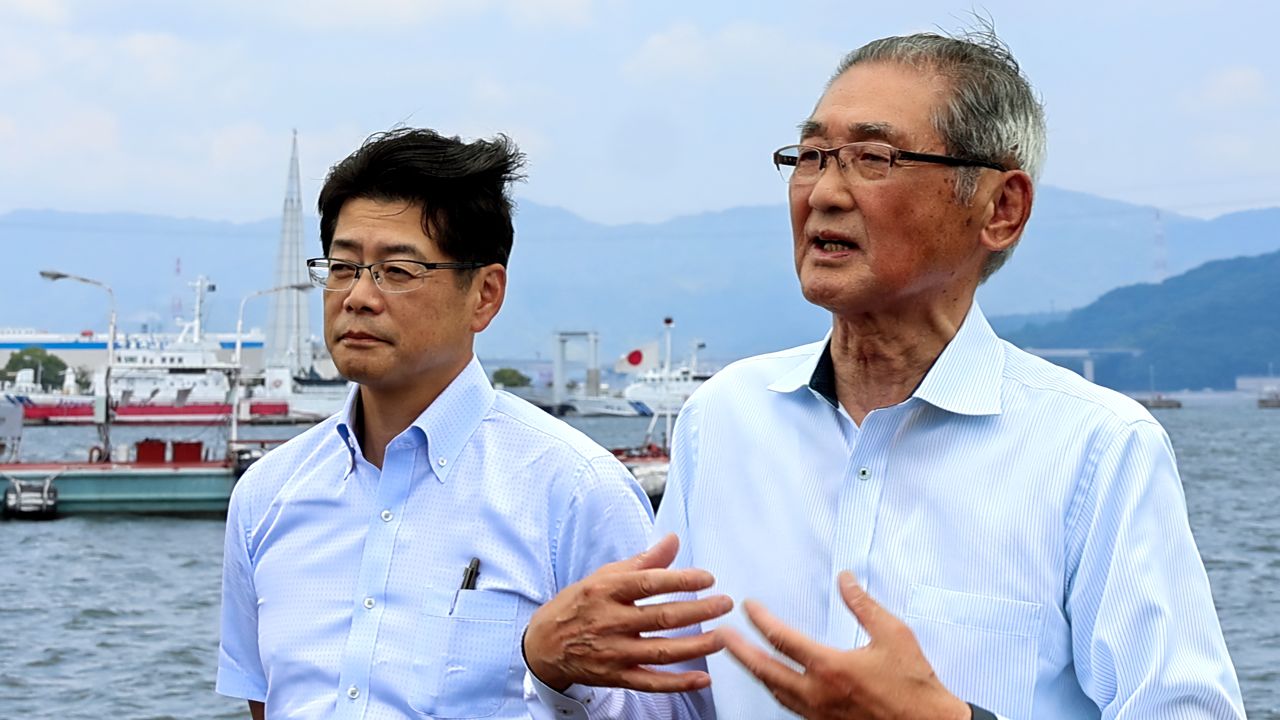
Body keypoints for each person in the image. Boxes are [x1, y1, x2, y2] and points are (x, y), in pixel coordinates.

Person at [522, 28, 1246, 720]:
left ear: (1000, 208)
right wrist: (556, 670)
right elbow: (680, 698)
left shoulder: (1094, 447)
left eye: (873, 159)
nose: (824, 192)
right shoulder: (727, 418)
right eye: (810, 155)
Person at [214, 128, 710, 720]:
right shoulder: (267, 494)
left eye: (396, 271)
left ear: (484, 294)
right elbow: (265, 703)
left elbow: (679, 709)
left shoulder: (575, 491)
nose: (357, 297)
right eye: (343, 267)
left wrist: (552, 674)